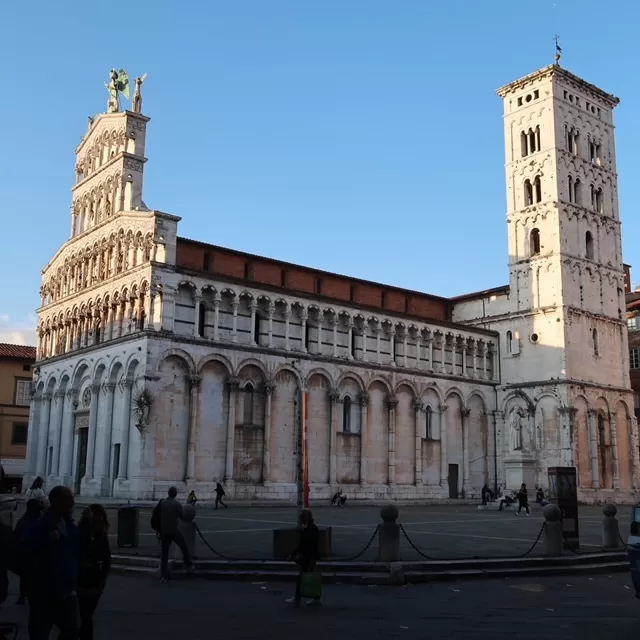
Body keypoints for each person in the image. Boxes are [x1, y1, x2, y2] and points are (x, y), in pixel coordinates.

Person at [24, 485, 79, 640]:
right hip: (44, 591)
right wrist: (46, 542)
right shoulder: (41, 526)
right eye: (69, 499)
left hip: (66, 590)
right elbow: (25, 549)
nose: (73, 503)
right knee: (40, 633)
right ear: (57, 502)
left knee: (71, 631)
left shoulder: (69, 524)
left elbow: (78, 546)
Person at [77, 504, 111, 640]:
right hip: (82, 579)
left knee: (87, 615)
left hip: (95, 580)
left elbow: (107, 558)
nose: (100, 520)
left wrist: (102, 581)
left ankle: (83, 635)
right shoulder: (84, 532)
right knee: (85, 615)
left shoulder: (101, 535)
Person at [158, 487, 193, 582]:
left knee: (164, 554)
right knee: (184, 547)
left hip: (164, 531)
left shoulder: (162, 503)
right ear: (175, 494)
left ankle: (163, 575)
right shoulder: (177, 504)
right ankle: (188, 565)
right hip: (174, 531)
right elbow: (182, 516)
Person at [287, 509, 321, 607]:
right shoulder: (309, 527)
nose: (300, 519)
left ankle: (298, 598)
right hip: (308, 557)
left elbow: (309, 545)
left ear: (305, 518)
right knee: (307, 577)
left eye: (301, 517)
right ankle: (315, 598)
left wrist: (295, 555)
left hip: (309, 557)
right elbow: (302, 544)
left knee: (302, 577)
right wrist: (293, 554)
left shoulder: (310, 529)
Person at [13, 498, 44, 605]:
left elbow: (16, 537)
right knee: (32, 577)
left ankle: (23, 595)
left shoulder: (24, 520)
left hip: (27, 554)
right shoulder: (39, 520)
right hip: (32, 554)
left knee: (25, 576)